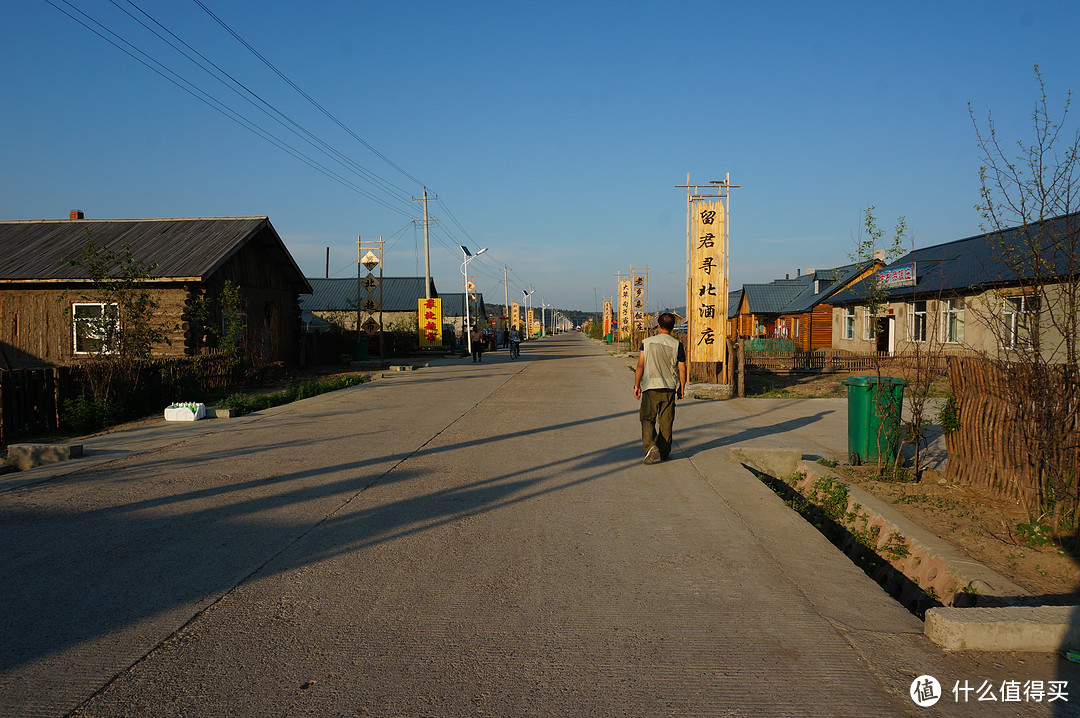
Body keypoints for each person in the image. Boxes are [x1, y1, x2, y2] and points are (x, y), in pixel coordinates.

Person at [633, 312, 687, 464]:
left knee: (646, 418)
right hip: (669, 388)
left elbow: (640, 366)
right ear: (673, 327)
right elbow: (682, 369)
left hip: (650, 387)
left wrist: (636, 385)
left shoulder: (647, 342)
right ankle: (664, 452)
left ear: (658, 325)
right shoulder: (677, 345)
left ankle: (650, 445)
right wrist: (682, 387)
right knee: (666, 421)